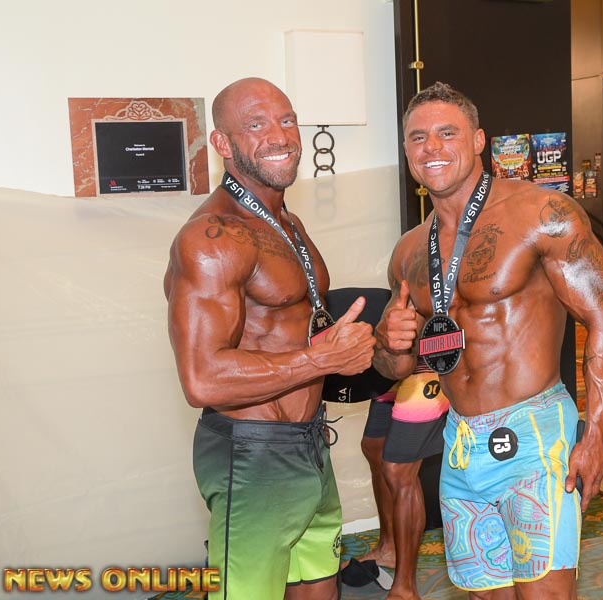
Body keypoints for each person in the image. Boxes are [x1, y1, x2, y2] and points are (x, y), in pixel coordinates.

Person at [372, 81, 603, 599]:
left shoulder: (542, 214)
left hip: (536, 439)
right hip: (461, 445)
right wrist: (389, 343)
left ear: (478, 140)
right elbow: (396, 371)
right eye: (418, 138)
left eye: (447, 133)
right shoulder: (408, 252)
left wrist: (597, 432)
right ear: (406, 151)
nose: (432, 147)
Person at [164, 77, 376, 600]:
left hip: (309, 442)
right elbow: (202, 379)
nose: (280, 136)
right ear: (222, 142)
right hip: (252, 453)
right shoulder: (212, 238)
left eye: (287, 120)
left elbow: (294, 329)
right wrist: (319, 360)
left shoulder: (286, 222)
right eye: (256, 125)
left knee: (321, 588)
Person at [348, 361, 449, 599]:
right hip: (392, 367)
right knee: (374, 447)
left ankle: (405, 587)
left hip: (426, 368)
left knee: (399, 470)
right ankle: (389, 548)